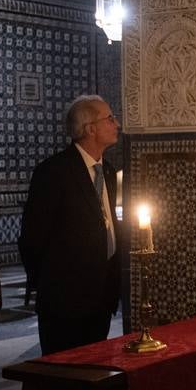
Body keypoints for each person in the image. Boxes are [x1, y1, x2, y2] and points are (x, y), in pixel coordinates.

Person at [20, 96, 121, 356]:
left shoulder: (107, 171)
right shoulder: (54, 172)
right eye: (110, 118)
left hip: (100, 297)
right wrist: (50, 287)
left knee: (95, 369)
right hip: (65, 302)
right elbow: (33, 238)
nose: (116, 123)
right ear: (90, 129)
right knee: (66, 377)